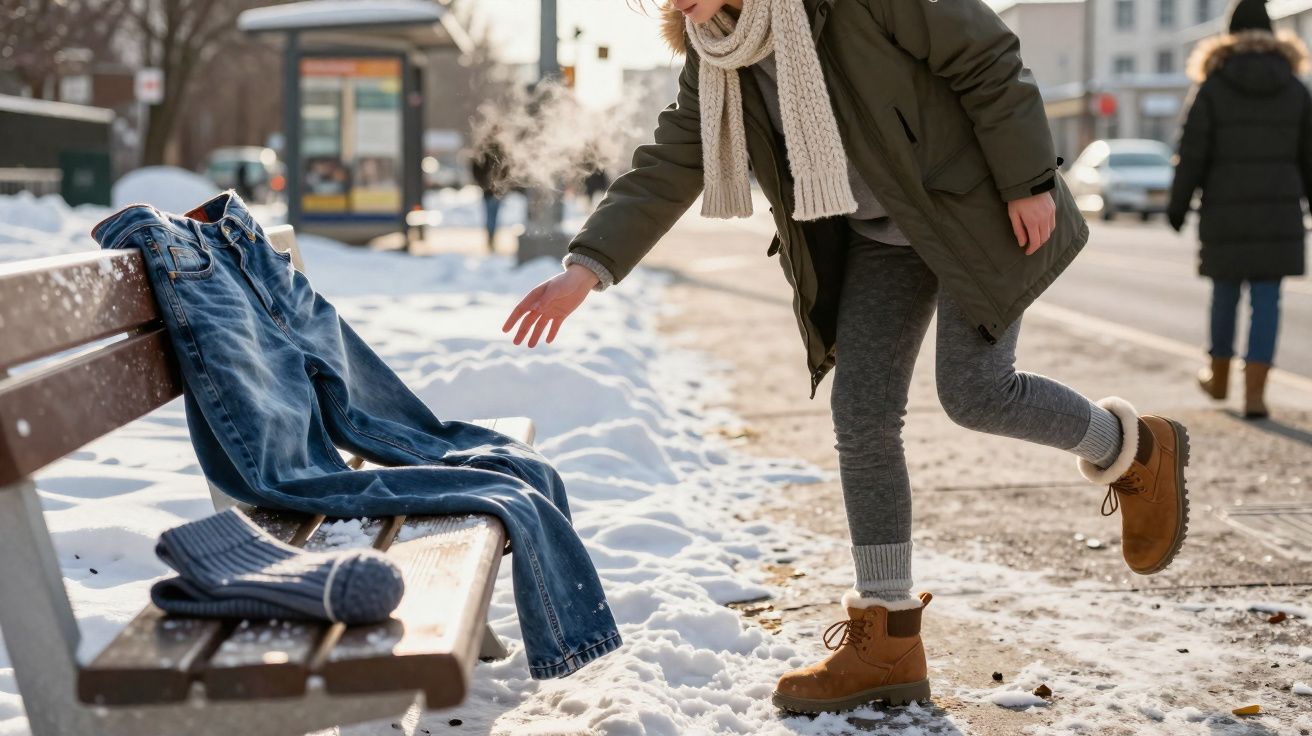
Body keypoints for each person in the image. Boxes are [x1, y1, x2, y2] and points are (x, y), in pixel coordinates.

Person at [503, 0, 1192, 714]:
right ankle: (885, 636)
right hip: (879, 237)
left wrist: (1026, 177)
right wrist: (586, 267)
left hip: (969, 204)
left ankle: (1134, 449)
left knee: (977, 391)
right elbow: (673, 161)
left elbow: (985, 53)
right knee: (861, 413)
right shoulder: (716, 53)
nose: (675, 3)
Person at [1168, 0, 1309, 419]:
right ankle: (1255, 394)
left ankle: (1218, 377)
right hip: (1279, 212)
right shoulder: (1295, 88)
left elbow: (1191, 153)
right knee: (1268, 299)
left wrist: (1176, 207)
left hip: (1224, 210)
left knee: (1225, 293)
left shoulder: (1212, 85)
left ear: (1228, 35)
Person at [470, 135, 510, 253]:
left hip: (492, 191)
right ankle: (491, 238)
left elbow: (476, 169)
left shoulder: (485, 153)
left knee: (491, 216)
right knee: (492, 216)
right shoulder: (498, 153)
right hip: (491, 191)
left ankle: (491, 238)